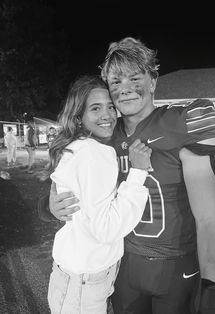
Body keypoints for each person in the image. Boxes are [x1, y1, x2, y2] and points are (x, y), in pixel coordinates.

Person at [43, 37, 215, 314]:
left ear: (153, 81)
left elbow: (209, 219)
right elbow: (70, 175)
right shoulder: (103, 135)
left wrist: (214, 287)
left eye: (134, 78)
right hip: (124, 267)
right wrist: (49, 204)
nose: (125, 89)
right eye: (116, 82)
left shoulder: (180, 125)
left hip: (175, 269)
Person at [46, 75, 152, 314]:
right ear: (79, 117)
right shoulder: (94, 153)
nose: (107, 115)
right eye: (96, 108)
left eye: (110, 107)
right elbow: (106, 229)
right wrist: (138, 172)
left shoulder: (78, 147)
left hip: (76, 275)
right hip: (83, 279)